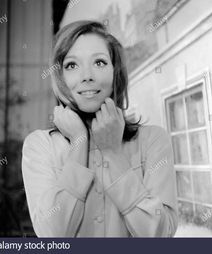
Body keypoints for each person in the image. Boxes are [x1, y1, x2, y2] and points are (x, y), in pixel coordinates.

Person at [21, 20, 178, 237]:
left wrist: (113, 153)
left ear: (116, 74)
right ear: (60, 77)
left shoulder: (153, 140)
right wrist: (79, 141)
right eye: (72, 65)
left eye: (100, 63)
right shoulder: (39, 145)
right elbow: (52, 235)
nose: (87, 76)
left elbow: (161, 235)